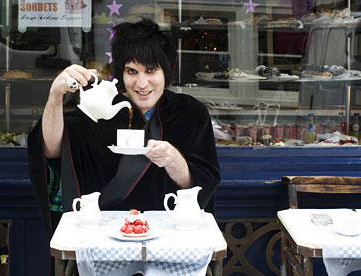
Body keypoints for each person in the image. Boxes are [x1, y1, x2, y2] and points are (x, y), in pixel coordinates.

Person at [28, 19, 221, 236]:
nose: (141, 83)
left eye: (151, 70)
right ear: (121, 74)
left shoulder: (190, 114)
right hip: (103, 235)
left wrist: (174, 160)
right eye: (132, 72)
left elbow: (202, 185)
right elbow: (52, 150)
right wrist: (55, 96)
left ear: (166, 72)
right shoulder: (101, 110)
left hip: (172, 235)